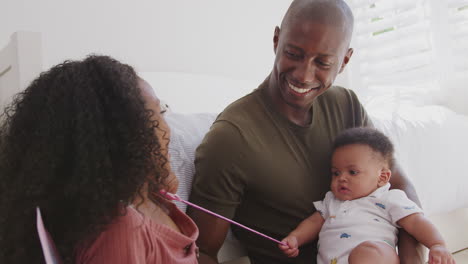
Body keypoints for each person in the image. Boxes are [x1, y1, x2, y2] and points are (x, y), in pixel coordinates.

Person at [188, 0, 423, 263]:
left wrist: (412, 259)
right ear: (276, 40)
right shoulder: (231, 138)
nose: (303, 74)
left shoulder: (347, 106)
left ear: (344, 61)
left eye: (322, 62)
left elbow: (400, 187)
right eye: (294, 54)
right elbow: (202, 251)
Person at [0, 55, 199, 264]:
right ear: (119, 136)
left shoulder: (156, 200)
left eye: (163, 111)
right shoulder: (120, 228)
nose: (167, 129)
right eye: (157, 114)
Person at [279, 127, 455, 264]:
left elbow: (417, 222)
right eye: (335, 173)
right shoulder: (331, 200)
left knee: (367, 252)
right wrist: (295, 238)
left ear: (382, 177)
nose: (342, 179)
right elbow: (313, 222)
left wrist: (437, 245)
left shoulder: (389, 198)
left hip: (375, 256)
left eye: (353, 172)